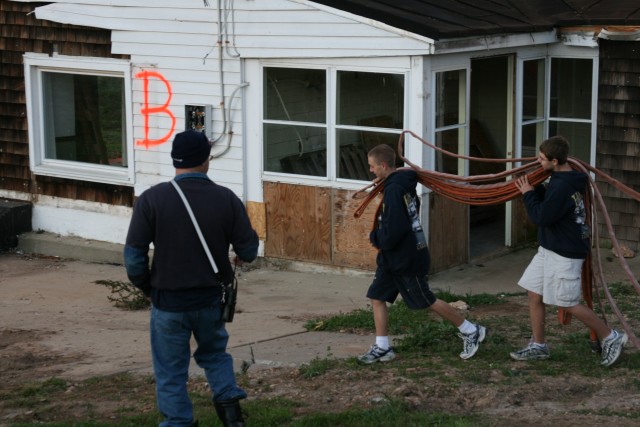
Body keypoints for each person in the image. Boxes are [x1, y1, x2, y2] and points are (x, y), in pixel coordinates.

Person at [124, 130, 258, 427]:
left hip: (168, 301)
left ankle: (178, 422)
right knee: (214, 354)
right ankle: (231, 415)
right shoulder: (226, 199)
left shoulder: (151, 199)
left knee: (170, 370)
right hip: (211, 299)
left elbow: (133, 258)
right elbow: (249, 250)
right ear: (206, 160)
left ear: (175, 159)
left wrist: (147, 286)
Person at [358, 144, 486, 364]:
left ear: (384, 165)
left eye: (372, 166)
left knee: (426, 300)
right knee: (377, 297)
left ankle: (471, 330)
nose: (370, 171)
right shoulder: (402, 184)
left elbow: (395, 229)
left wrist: (376, 237)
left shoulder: (395, 189)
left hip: (406, 259)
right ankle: (382, 347)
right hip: (392, 259)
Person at [511, 135, 628, 366]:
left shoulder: (563, 185)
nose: (538, 161)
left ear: (555, 161)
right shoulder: (562, 178)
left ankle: (611, 337)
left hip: (564, 253)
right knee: (534, 293)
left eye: (542, 159)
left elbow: (541, 216)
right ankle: (539, 346)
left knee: (567, 303)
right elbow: (553, 206)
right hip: (549, 248)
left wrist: (528, 194)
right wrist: (538, 190)